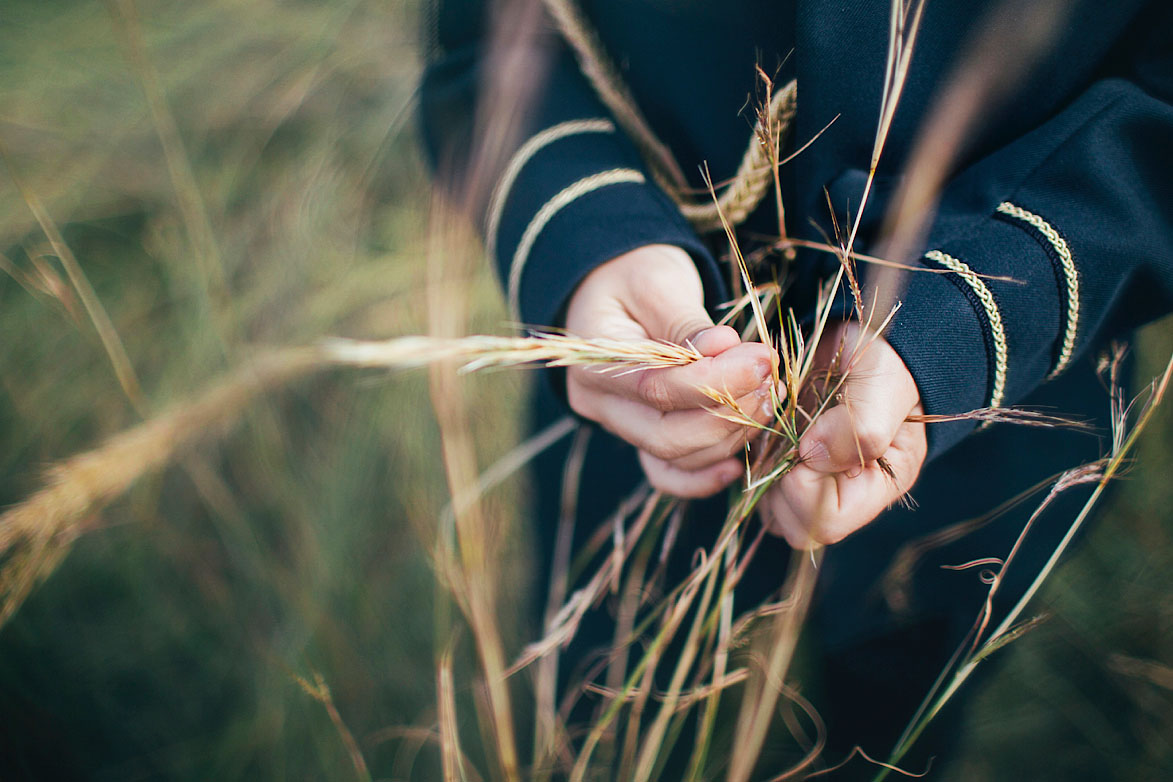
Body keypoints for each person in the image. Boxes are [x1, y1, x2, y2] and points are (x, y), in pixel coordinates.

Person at [421, 0, 1173, 775]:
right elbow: (489, 37)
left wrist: (961, 322)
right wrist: (587, 234)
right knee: (608, 720)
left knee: (893, 728)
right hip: (637, 410)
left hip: (985, 438)